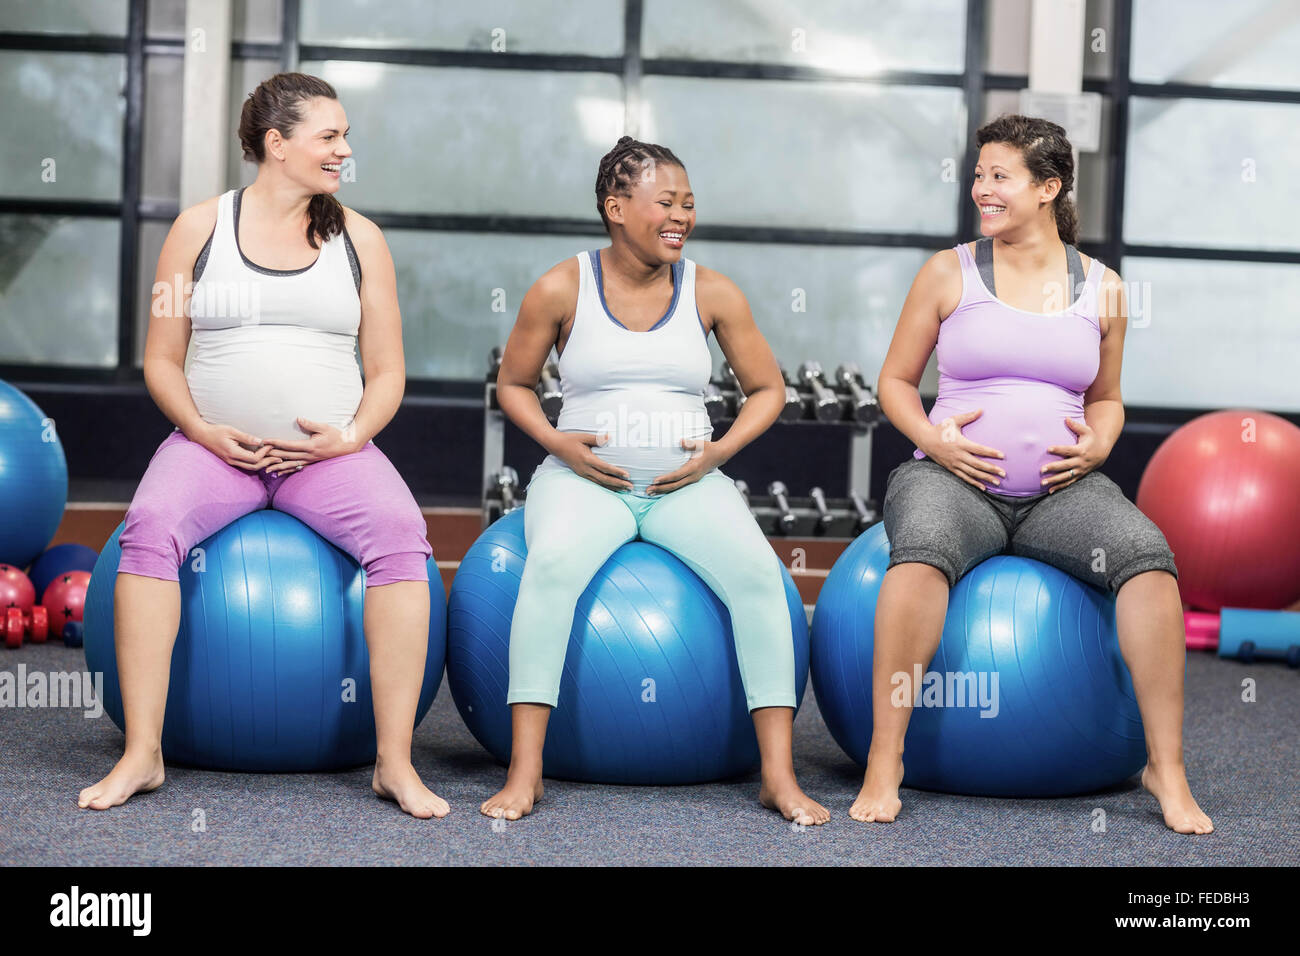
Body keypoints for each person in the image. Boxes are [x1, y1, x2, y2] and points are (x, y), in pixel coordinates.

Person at [77, 73, 447, 819]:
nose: (345, 149)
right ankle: (143, 753)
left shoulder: (360, 241)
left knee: (404, 537)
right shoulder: (196, 229)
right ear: (276, 145)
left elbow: (387, 371)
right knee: (148, 529)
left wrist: (351, 436)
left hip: (329, 459)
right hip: (213, 450)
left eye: (344, 135)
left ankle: (395, 763)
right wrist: (204, 428)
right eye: (329, 136)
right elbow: (160, 359)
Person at [860, 114, 1213, 834]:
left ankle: (1165, 768)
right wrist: (935, 438)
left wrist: (1098, 447)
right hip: (954, 482)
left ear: (1048, 187)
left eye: (1001, 176)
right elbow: (894, 382)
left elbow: (1106, 399)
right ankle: (884, 757)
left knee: (1150, 562)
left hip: (1062, 492)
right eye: (979, 173)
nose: (981, 188)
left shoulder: (1102, 287)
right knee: (919, 554)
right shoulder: (948, 271)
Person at [484, 136, 829, 826]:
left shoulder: (712, 291)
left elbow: (768, 390)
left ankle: (779, 777)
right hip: (585, 482)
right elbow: (513, 383)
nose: (681, 216)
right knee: (549, 569)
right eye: (665, 202)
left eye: (689, 204)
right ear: (616, 207)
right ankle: (526, 774)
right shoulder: (561, 286)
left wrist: (717, 453)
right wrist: (558, 442)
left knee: (763, 579)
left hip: (685, 487)